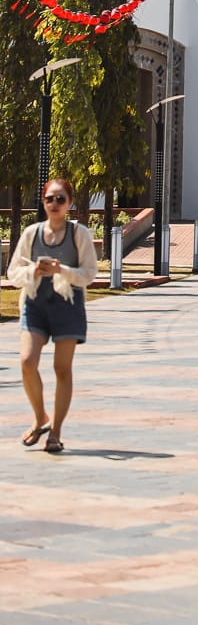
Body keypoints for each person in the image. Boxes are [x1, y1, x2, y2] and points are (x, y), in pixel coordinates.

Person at [8, 177, 98, 454]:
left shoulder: (78, 233)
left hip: (67, 305)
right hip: (35, 302)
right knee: (27, 361)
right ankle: (40, 418)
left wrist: (62, 270)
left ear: (70, 203)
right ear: (43, 201)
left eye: (60, 199)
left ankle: (55, 432)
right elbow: (13, 273)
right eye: (50, 198)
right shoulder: (32, 233)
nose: (55, 203)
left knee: (62, 368)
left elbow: (89, 274)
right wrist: (33, 271)